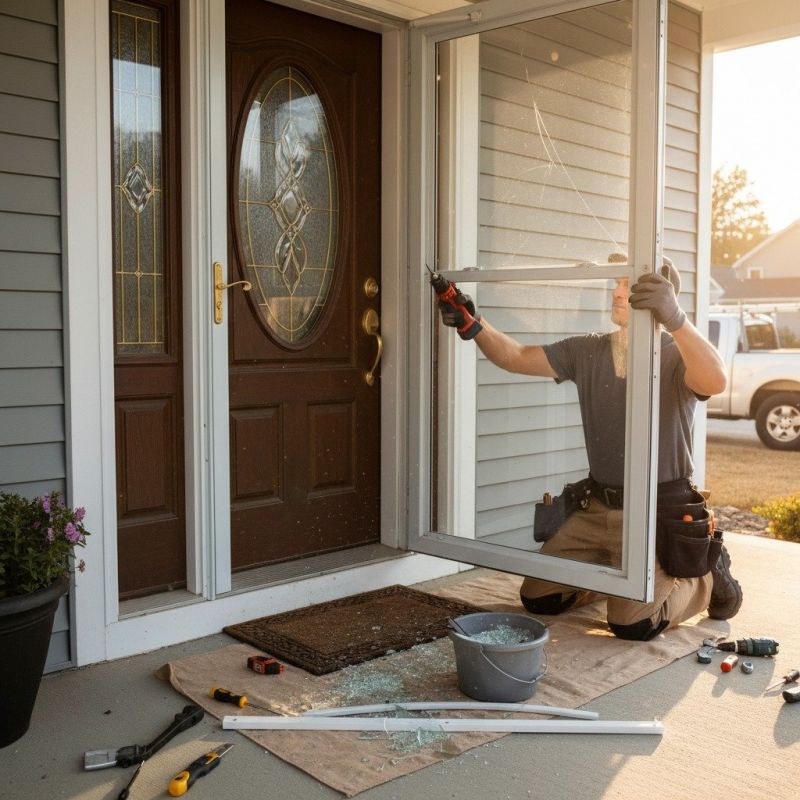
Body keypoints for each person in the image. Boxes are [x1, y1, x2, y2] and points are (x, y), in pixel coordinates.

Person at [438, 256, 743, 641]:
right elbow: (514, 357)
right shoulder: (588, 351)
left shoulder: (675, 354)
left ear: (658, 297)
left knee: (633, 624)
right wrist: (472, 323)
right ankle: (619, 582)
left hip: (656, 511)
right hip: (597, 505)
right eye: (614, 283)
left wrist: (676, 318)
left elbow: (715, 379)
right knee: (539, 599)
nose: (617, 293)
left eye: (627, 285)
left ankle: (706, 578)